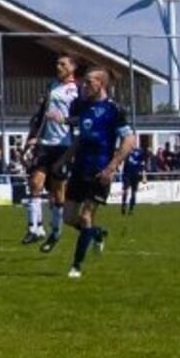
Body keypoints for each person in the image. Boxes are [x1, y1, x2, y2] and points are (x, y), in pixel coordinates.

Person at [57, 67, 134, 279]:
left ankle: (76, 266)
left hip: (100, 172)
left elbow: (129, 140)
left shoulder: (114, 109)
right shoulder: (83, 107)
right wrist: (63, 160)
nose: (84, 85)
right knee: (69, 217)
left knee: (86, 215)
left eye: (89, 82)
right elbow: (80, 138)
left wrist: (112, 167)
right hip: (79, 168)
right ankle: (97, 234)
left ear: (101, 84)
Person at [19, 56, 78, 249]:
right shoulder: (51, 86)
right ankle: (35, 228)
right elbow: (40, 117)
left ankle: (56, 231)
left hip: (64, 145)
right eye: (57, 63)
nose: (58, 67)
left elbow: (80, 118)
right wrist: (32, 139)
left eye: (63, 64)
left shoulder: (77, 91)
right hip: (45, 143)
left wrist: (65, 120)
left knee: (58, 193)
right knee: (35, 182)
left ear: (73, 68)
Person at [120, 142, 147, 215]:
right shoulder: (126, 152)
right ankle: (123, 205)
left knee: (134, 193)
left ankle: (131, 210)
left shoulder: (140, 152)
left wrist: (144, 176)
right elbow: (120, 160)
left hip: (136, 175)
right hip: (127, 174)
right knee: (125, 191)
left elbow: (143, 165)